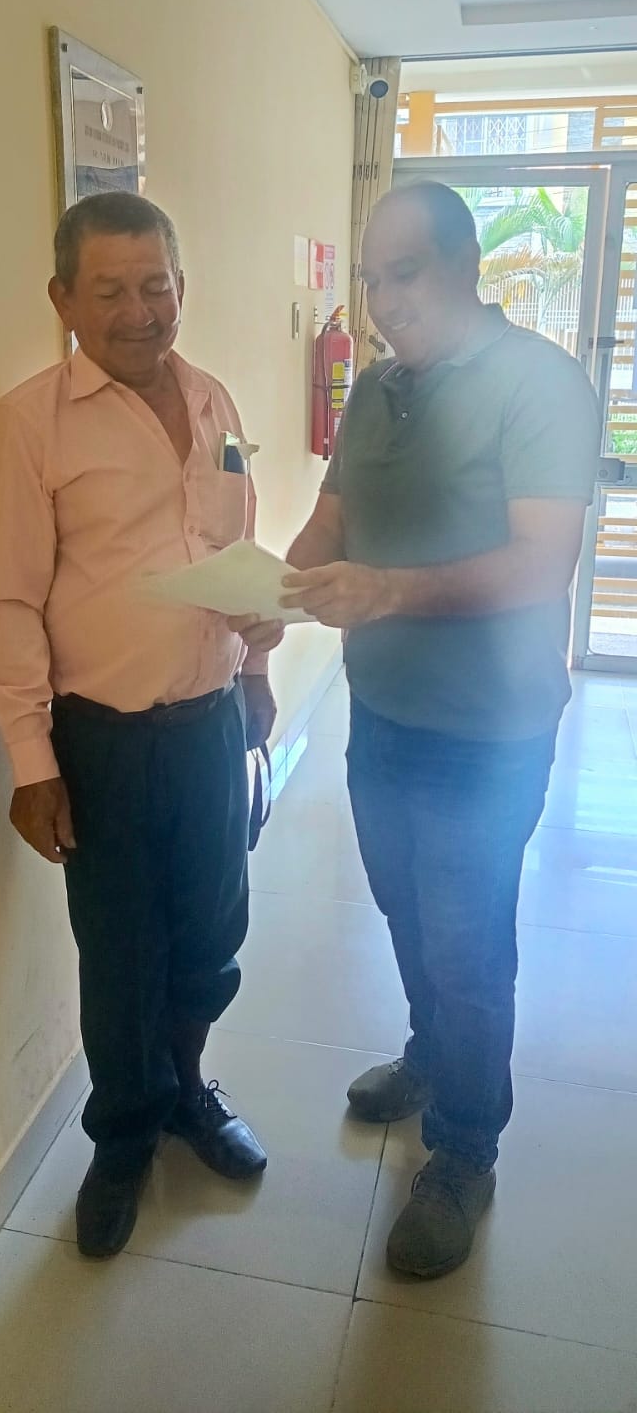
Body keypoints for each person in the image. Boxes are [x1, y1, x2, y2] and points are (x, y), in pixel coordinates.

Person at [280, 180, 600, 1280]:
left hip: (489, 734)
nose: (385, 301)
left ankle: (465, 1149)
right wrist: (271, 591)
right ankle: (429, 1053)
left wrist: (386, 590)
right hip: (385, 713)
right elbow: (329, 525)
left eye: (405, 273)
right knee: (404, 905)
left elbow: (540, 564)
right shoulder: (374, 392)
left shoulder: (540, 384)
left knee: (468, 942)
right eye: (372, 279)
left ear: (466, 263)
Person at [0, 192, 279, 1260]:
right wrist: (32, 761)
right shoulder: (28, 424)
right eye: (109, 290)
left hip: (210, 724)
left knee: (213, 934)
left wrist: (257, 669)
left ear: (181, 287)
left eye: (156, 286)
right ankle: (123, 1137)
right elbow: (10, 601)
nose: (139, 311)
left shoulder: (213, 399)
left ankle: (187, 1087)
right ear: (63, 299)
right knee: (118, 954)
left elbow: (237, 546)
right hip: (101, 739)